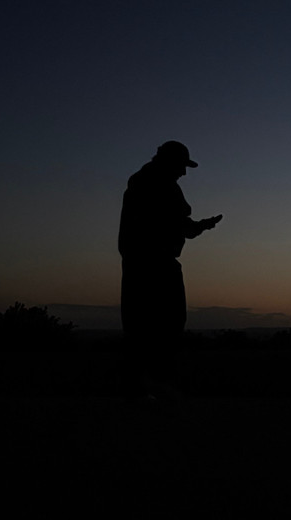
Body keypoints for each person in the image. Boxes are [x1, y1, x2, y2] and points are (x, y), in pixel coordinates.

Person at [118, 141, 222, 398]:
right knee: (165, 321)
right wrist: (195, 226)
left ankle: (143, 382)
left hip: (146, 261)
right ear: (168, 161)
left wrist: (200, 226)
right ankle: (154, 381)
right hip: (153, 262)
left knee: (147, 322)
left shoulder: (149, 182)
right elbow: (173, 221)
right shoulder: (153, 183)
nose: (184, 173)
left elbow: (178, 223)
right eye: (181, 166)